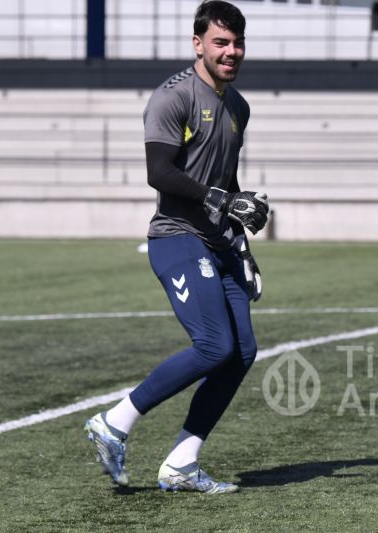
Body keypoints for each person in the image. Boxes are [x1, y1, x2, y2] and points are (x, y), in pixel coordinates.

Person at [84, 0, 269, 494]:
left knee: (242, 352)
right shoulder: (173, 97)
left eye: (237, 43)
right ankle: (114, 422)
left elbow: (226, 181)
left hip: (219, 243)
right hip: (177, 238)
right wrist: (218, 197)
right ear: (198, 45)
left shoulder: (238, 106)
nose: (231, 52)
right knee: (214, 346)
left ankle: (182, 462)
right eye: (220, 43)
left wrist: (244, 244)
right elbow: (159, 172)